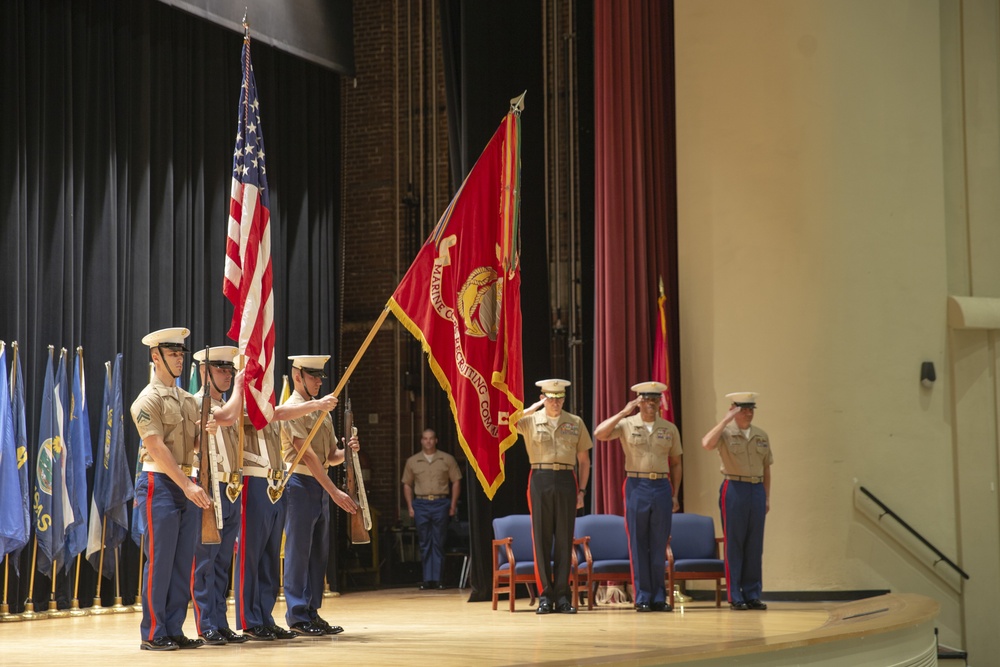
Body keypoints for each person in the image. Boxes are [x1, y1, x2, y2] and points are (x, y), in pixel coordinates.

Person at [212, 365, 340, 641]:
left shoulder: (265, 404)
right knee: (251, 555)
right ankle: (249, 619)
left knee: (269, 557)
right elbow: (273, 415)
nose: (262, 383)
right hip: (252, 480)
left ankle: (265, 616)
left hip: (274, 480)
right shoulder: (241, 404)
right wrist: (316, 404)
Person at [130, 327, 212, 651]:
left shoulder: (188, 399)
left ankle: (174, 628)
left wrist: (207, 431)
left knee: (182, 562)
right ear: (156, 356)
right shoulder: (146, 400)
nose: (179, 359)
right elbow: (156, 448)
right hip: (159, 483)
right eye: (173, 353)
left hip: (183, 483)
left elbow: (191, 444)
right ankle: (153, 632)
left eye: (181, 353)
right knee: (161, 560)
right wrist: (188, 486)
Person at [281, 355, 359, 636]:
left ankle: (312, 612)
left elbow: (329, 456)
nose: (317, 382)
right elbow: (309, 457)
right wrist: (334, 491)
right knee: (298, 552)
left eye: (320, 377)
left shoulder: (321, 411)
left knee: (317, 554)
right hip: (300, 483)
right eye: (312, 376)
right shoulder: (292, 408)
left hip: (320, 485)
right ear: (298, 377)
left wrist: (347, 451)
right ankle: (297, 615)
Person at [594, 381, 683, 612]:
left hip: (662, 485)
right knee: (638, 543)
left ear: (659, 402)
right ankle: (642, 596)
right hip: (636, 484)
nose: (650, 403)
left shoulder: (669, 428)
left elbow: (676, 463)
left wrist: (675, 493)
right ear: (639, 401)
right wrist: (624, 411)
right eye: (645, 399)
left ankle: (658, 597)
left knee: (658, 543)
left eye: (654, 399)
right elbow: (600, 434)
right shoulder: (627, 424)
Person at [189, 346, 250, 645]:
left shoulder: (228, 405)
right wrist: (241, 387)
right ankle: (206, 623)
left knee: (223, 561)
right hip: (210, 488)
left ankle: (221, 620)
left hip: (231, 488)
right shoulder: (198, 405)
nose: (228, 375)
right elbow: (225, 416)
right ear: (205, 372)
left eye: (231, 370)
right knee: (205, 561)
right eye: (222, 370)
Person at [516, 379, 592, 615]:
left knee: (564, 540)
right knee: (541, 539)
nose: (556, 402)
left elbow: (584, 461)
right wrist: (534, 408)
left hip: (567, 479)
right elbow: (508, 421)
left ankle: (562, 595)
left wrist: (582, 491)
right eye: (550, 398)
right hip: (540, 478)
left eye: (559, 398)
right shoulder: (530, 421)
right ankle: (545, 596)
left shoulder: (575, 422)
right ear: (543, 398)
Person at [701, 392, 772, 611]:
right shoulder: (725, 432)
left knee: (754, 545)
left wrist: (767, 496)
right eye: (743, 409)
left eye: (751, 409)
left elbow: (766, 468)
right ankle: (735, 595)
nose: (748, 413)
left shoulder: (761, 435)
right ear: (734, 410)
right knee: (735, 543)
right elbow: (706, 444)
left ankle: (752, 593)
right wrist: (725, 420)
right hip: (734, 488)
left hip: (756, 489)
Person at [402, 429, 462, 590]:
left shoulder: (446, 459)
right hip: (421, 504)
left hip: (440, 503)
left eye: (431, 439)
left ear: (436, 440)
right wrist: (410, 506)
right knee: (424, 542)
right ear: (421, 441)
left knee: (438, 541)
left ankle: (438, 579)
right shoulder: (413, 461)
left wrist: (453, 505)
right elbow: (407, 484)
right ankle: (427, 579)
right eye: (425, 439)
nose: (428, 441)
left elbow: (456, 481)